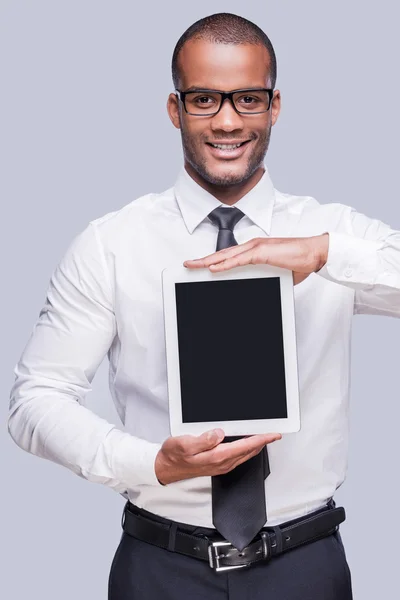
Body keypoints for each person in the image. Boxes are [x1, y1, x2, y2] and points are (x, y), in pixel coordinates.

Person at [7, 11, 400, 600]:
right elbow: (34, 401)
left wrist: (324, 253)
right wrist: (151, 463)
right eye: (204, 99)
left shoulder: (331, 231)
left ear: (274, 105)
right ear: (175, 108)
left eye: (247, 99)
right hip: (160, 566)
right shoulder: (111, 244)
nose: (226, 121)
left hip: (306, 567)